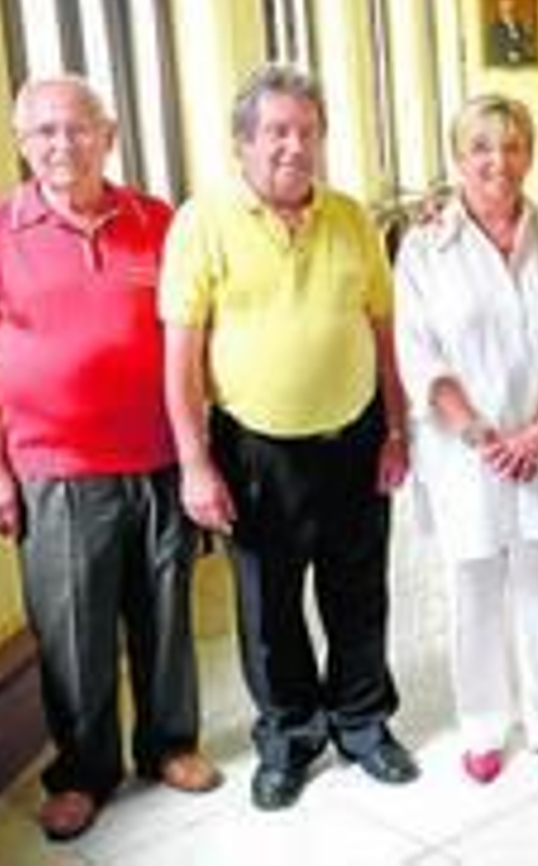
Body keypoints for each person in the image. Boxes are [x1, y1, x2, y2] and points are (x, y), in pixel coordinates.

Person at [0, 75, 219, 841]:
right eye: (44, 132)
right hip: (53, 472)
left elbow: (198, 333)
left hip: (158, 460)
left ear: (110, 133)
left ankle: (169, 745)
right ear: (22, 143)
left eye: (78, 128)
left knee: (164, 617)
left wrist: (203, 451)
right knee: (72, 631)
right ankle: (84, 772)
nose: (63, 145)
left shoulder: (158, 222)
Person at [160, 64, 417, 811]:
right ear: (242, 143)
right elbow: (179, 358)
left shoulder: (352, 218)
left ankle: (365, 725)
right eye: (276, 131)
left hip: (355, 435)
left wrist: (396, 428)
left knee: (358, 593)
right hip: (255, 449)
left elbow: (383, 329)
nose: (293, 146)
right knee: (269, 606)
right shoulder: (200, 222)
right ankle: (291, 737)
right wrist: (194, 464)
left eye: (307, 131)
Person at [395, 94, 538, 784]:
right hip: (466, 451)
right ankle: (484, 725)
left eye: (513, 145)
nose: (499, 160)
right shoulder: (427, 247)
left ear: (530, 153)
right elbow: (419, 355)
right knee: (475, 585)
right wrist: (482, 434)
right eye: (481, 146)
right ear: (458, 159)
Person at [487, 0, 536, 67]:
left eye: (510, 8)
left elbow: (526, 45)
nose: (507, 11)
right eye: (504, 9)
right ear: (499, 10)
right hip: (503, 65)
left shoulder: (520, 26)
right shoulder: (494, 29)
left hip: (522, 63)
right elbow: (493, 50)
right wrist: (507, 55)